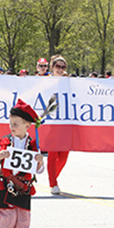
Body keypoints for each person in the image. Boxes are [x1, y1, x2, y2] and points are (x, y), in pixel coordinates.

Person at [0, 99, 45, 228]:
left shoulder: (33, 144)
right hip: (5, 185)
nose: (12, 127)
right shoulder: (4, 141)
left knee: (23, 220)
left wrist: (40, 161)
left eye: (16, 124)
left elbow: (39, 170)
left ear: (28, 125)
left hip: (23, 187)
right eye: (11, 123)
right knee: (7, 219)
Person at [46, 54, 69, 194]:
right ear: (52, 67)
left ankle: (53, 177)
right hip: (51, 122)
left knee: (64, 157)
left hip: (65, 122)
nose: (60, 69)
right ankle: (53, 183)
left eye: (63, 67)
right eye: (57, 66)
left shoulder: (69, 82)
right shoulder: (46, 81)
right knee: (53, 155)